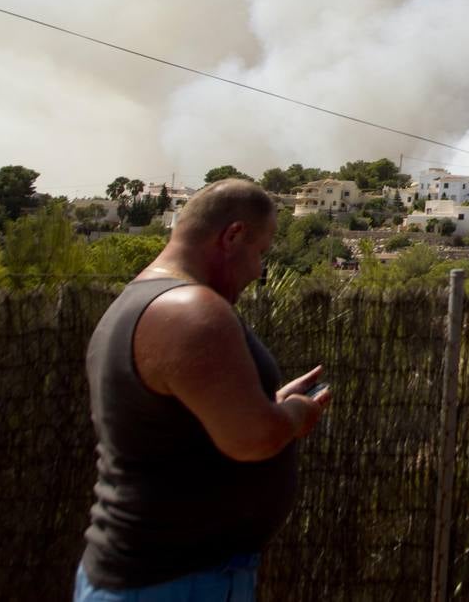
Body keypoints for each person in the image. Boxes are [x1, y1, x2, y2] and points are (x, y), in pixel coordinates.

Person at [75, 178, 332, 601]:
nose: (258, 271)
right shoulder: (191, 310)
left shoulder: (139, 301)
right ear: (233, 236)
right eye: (260, 253)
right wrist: (295, 414)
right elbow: (253, 439)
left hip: (156, 577)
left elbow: (191, 426)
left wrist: (268, 406)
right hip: (173, 583)